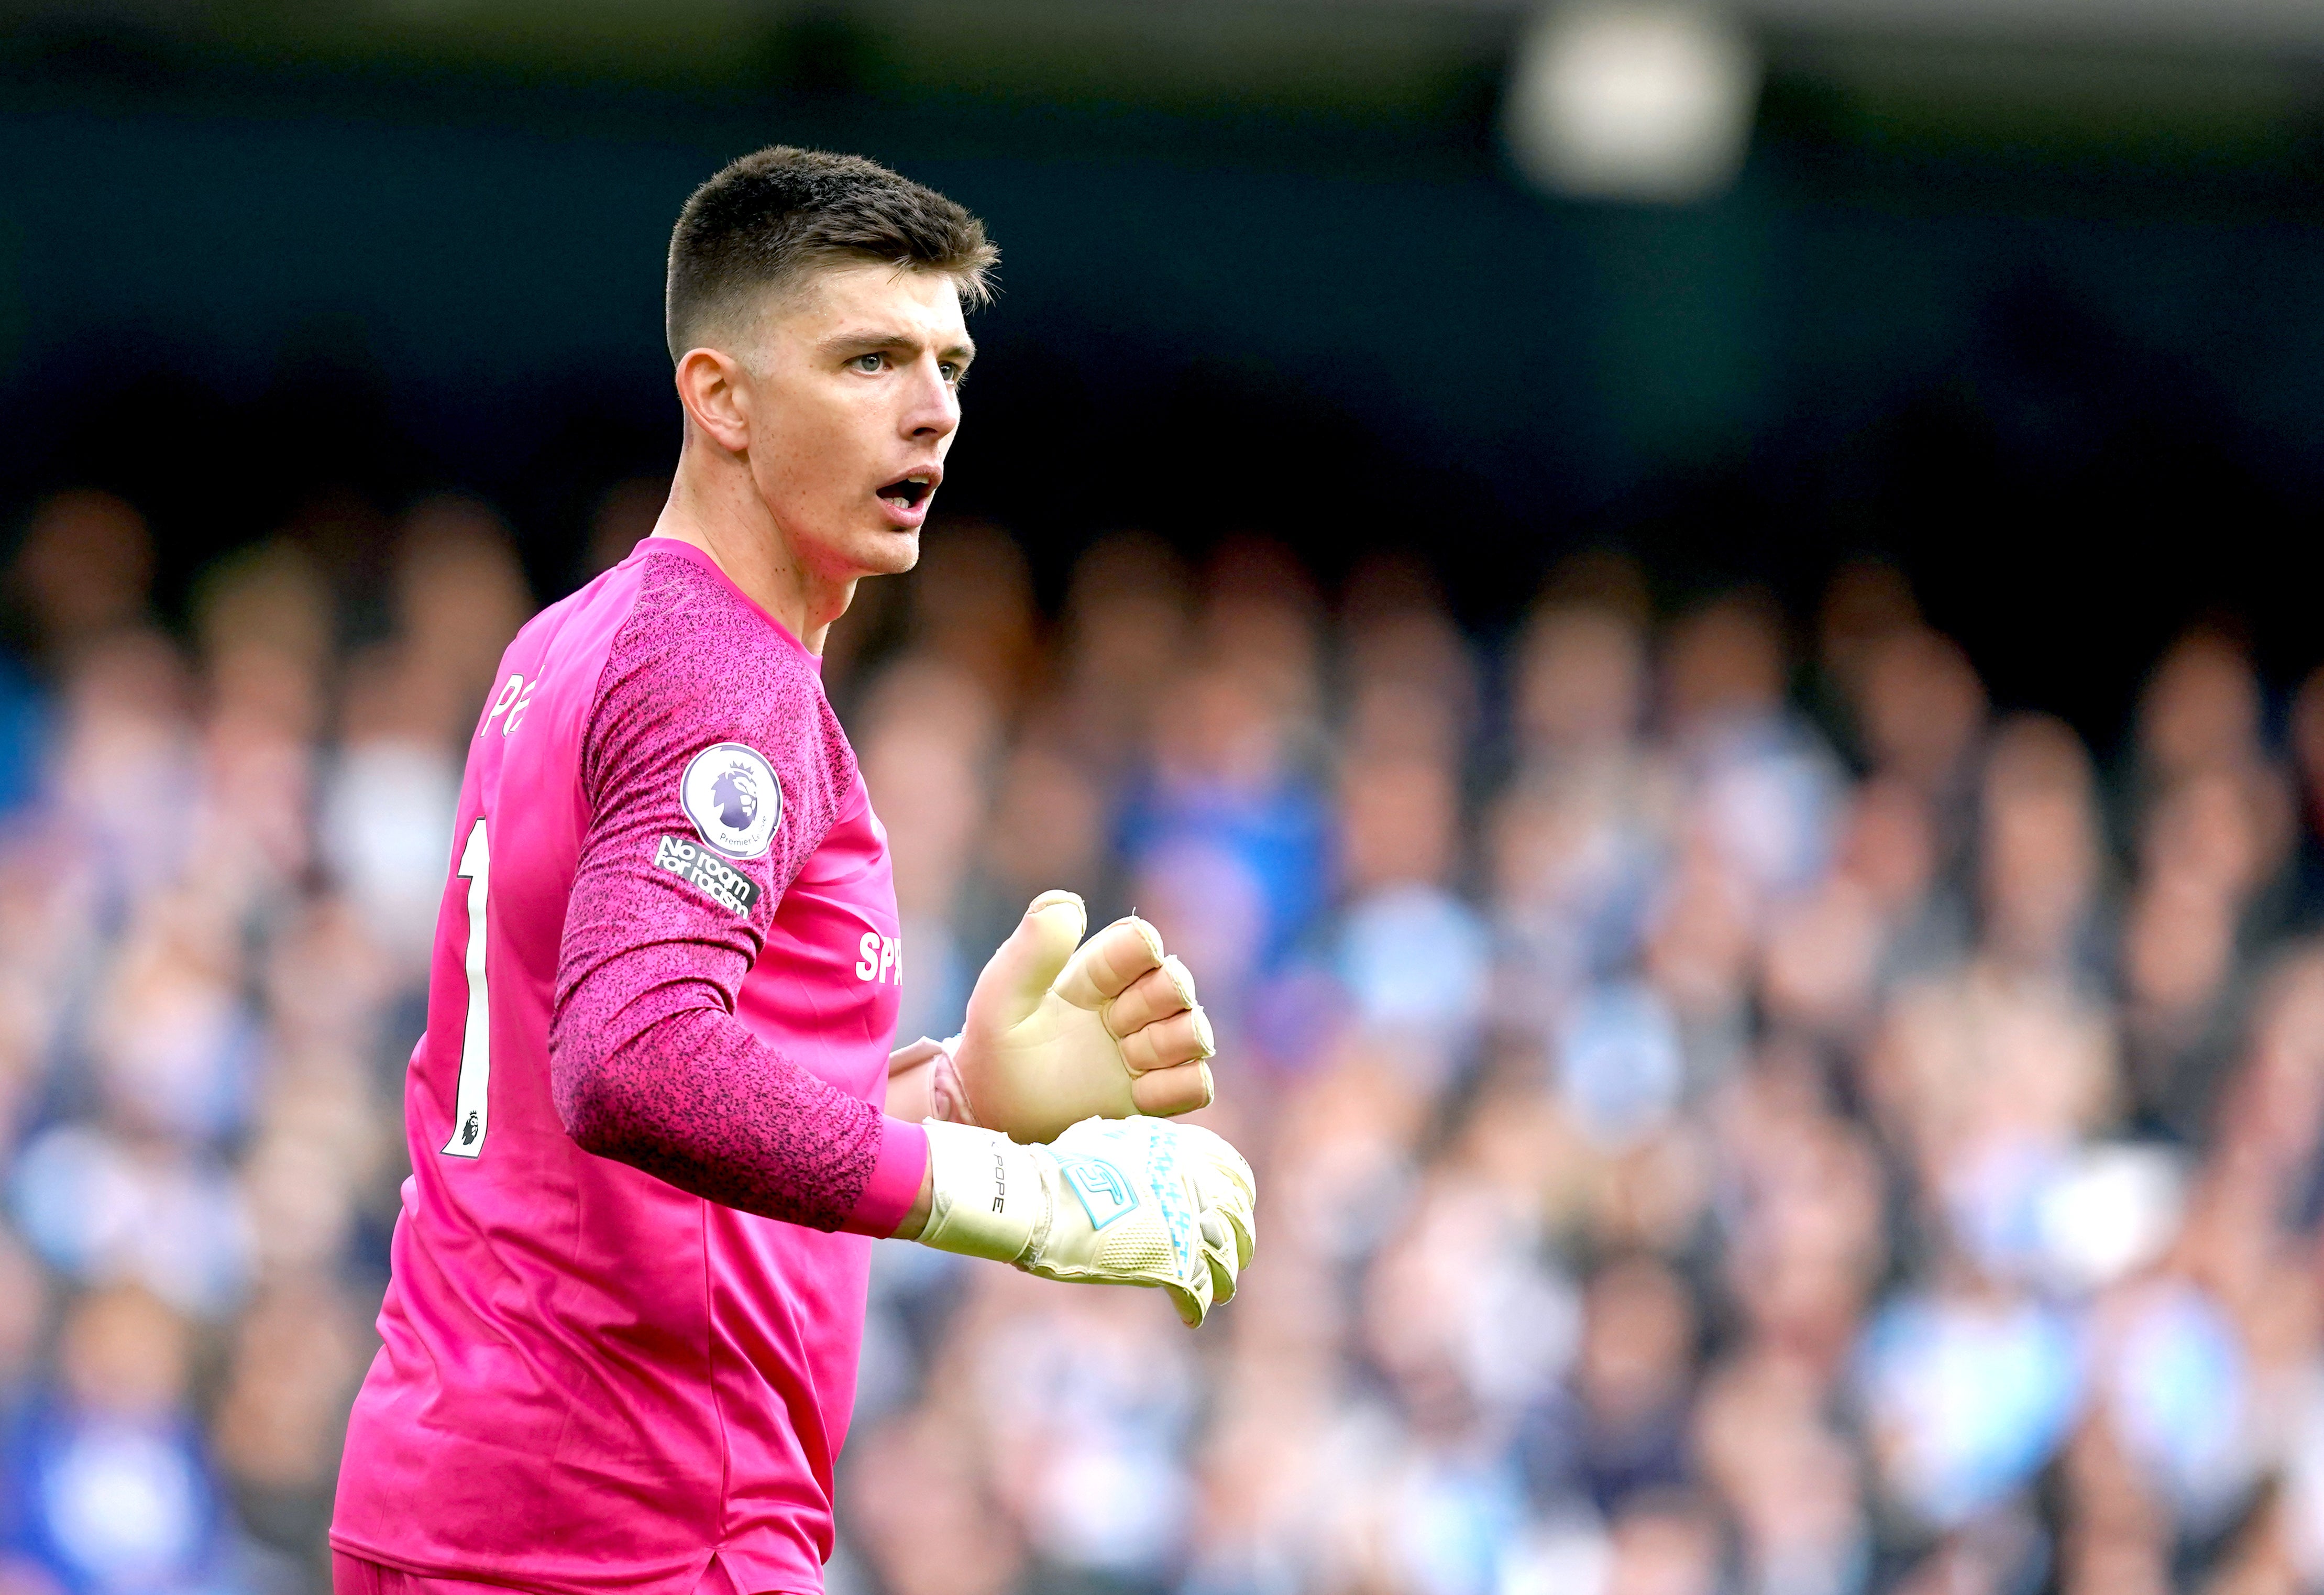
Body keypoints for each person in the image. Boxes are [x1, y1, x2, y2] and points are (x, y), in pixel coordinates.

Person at [328, 147, 1257, 1595]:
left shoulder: (576, 640)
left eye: (949, 361)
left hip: (462, 1490)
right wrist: (995, 1196)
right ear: (722, 397)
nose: (933, 408)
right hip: (628, 1523)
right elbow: (634, 1061)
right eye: (870, 358)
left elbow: (623, 1087)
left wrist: (954, 1098)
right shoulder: (723, 681)